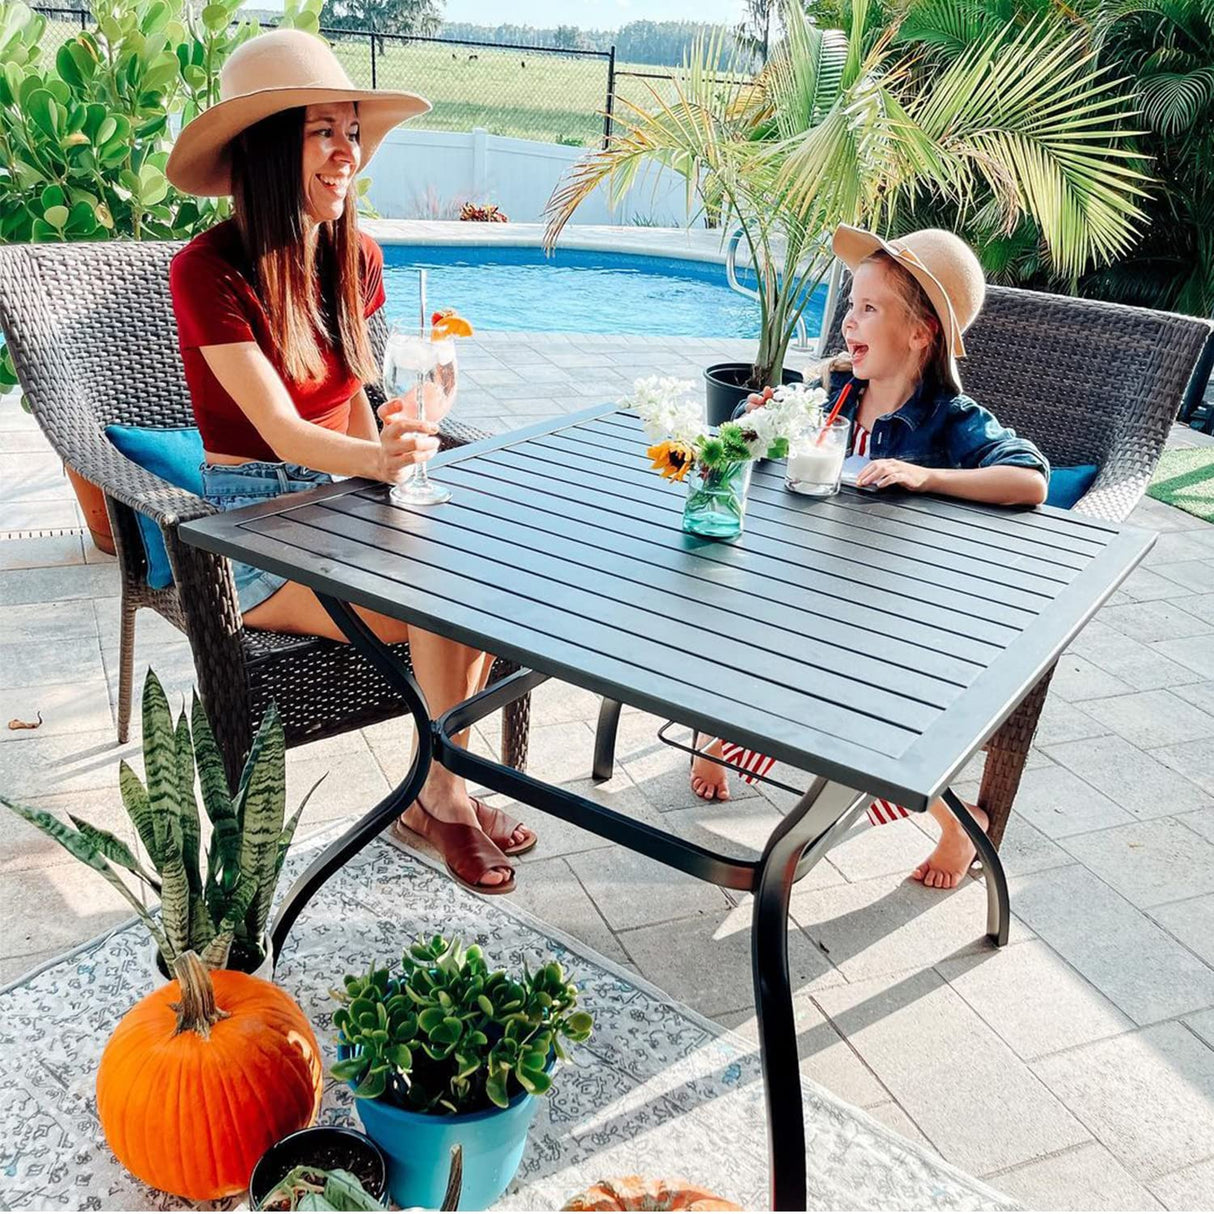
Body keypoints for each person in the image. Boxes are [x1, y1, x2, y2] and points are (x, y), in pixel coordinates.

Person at [165, 28, 534, 895]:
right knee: (439, 592)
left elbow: (353, 401)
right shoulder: (207, 272)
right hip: (254, 527)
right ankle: (444, 796)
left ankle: (437, 790)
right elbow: (282, 431)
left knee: (486, 564)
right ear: (267, 147)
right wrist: (378, 458)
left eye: (353, 132)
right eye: (323, 132)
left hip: (345, 497)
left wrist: (405, 424)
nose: (348, 154)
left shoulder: (356, 256)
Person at [690, 224, 1049, 890]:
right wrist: (759, 426)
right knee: (747, 631)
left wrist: (927, 476)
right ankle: (727, 737)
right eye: (850, 306)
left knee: (879, 724)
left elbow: (1029, 480)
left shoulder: (950, 418)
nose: (848, 322)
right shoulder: (835, 396)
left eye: (869, 308)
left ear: (920, 333)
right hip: (817, 587)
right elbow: (773, 461)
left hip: (896, 620)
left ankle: (956, 823)